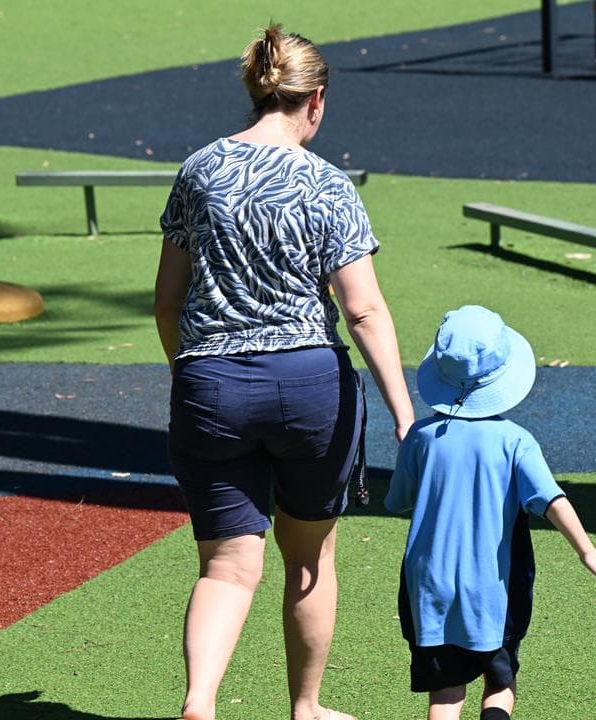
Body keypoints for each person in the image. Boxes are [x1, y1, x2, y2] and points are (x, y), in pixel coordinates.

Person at [153, 22, 416, 720]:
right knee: (308, 561)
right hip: (309, 389)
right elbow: (363, 311)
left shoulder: (200, 170)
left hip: (210, 383)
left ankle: (200, 701)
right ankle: (306, 707)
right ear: (316, 101)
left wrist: (192, 374)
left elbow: (168, 301)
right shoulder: (327, 184)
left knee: (225, 566)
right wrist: (403, 411)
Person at [385, 305, 596, 720]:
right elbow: (550, 499)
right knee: (500, 680)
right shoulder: (515, 441)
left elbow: (398, 500)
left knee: (444, 693)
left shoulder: (421, 438)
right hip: (493, 588)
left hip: (428, 588)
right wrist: (588, 552)